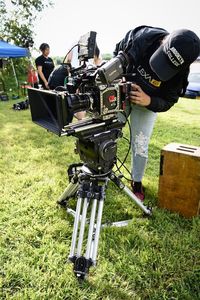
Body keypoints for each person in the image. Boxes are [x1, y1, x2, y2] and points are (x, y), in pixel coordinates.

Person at [114, 26, 200, 201]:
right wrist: (120, 76)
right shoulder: (142, 37)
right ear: (165, 41)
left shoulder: (181, 72)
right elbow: (118, 52)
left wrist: (149, 101)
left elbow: (169, 100)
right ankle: (102, 173)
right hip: (121, 93)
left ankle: (136, 181)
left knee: (140, 144)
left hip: (145, 105)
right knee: (108, 132)